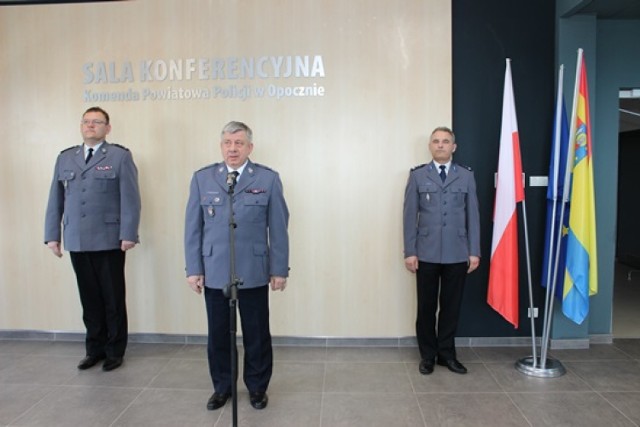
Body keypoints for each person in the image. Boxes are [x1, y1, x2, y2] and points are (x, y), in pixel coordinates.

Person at [184, 121, 289, 411]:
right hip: (216, 269)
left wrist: (279, 269)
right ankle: (222, 387)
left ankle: (257, 387)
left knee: (256, 333)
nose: (233, 148)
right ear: (221, 146)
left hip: (254, 270)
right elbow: (193, 229)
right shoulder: (202, 179)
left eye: (239, 143)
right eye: (228, 143)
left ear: (249, 147)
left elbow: (278, 228)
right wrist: (194, 269)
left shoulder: (267, 179)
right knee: (218, 334)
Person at [44, 106, 141, 372]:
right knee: (89, 299)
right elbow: (56, 198)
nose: (90, 126)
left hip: (109, 239)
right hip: (76, 238)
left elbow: (130, 199)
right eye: (86, 121)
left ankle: (114, 350)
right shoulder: (65, 158)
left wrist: (128, 234)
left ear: (107, 128)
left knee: (112, 298)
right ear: (81, 126)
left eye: (97, 122)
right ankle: (94, 349)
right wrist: (52, 235)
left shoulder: (120, 156)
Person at [403, 126, 480, 375]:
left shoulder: (466, 176)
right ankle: (428, 355)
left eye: (445, 141)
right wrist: (410, 251)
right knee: (426, 307)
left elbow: (474, 217)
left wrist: (474, 251)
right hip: (425, 252)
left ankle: (446, 354)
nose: (440, 145)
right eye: (436, 141)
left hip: (457, 252)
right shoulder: (417, 176)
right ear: (430, 146)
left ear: (453, 147)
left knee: (451, 307)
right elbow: (408, 217)